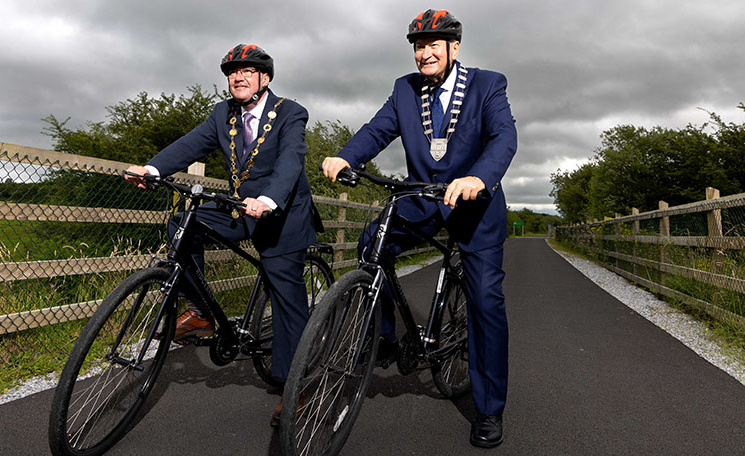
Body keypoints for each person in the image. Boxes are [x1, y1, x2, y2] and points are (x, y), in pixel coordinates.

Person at [321, 9, 517, 449]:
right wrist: (347, 155)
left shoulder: (488, 84)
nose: (424, 53)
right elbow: (377, 130)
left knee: (485, 300)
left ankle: (489, 407)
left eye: (433, 45)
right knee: (371, 242)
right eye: (418, 46)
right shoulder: (404, 90)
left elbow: (504, 136)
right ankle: (384, 336)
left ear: (454, 47)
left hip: (474, 204)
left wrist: (479, 177)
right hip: (424, 198)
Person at [125, 43, 317, 426]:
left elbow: (290, 161)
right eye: (232, 73)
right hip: (241, 208)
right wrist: (152, 169)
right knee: (183, 224)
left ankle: (293, 387)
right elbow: (190, 145)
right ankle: (201, 311)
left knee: (286, 298)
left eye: (246, 71)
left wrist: (269, 199)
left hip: (282, 215)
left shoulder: (290, 112)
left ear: (265, 77)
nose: (237, 78)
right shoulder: (222, 114)